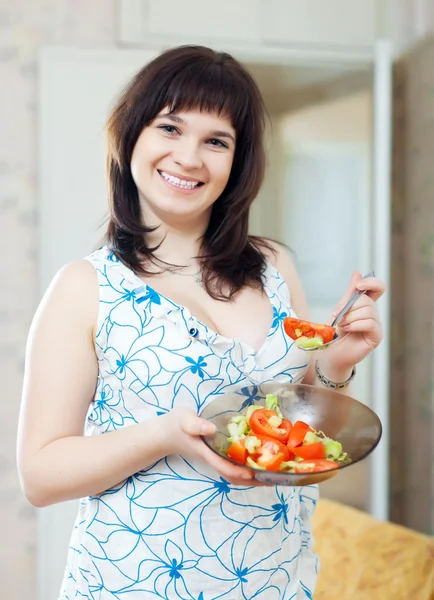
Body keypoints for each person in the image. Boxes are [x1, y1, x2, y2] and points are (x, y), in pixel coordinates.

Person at [17, 45, 385, 599]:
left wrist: (333, 367)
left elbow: (296, 418)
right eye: (170, 128)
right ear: (131, 137)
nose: (189, 157)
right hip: (132, 584)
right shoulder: (85, 287)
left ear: (239, 162)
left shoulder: (274, 265)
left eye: (217, 141)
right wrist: (163, 436)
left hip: (276, 579)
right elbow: (41, 475)